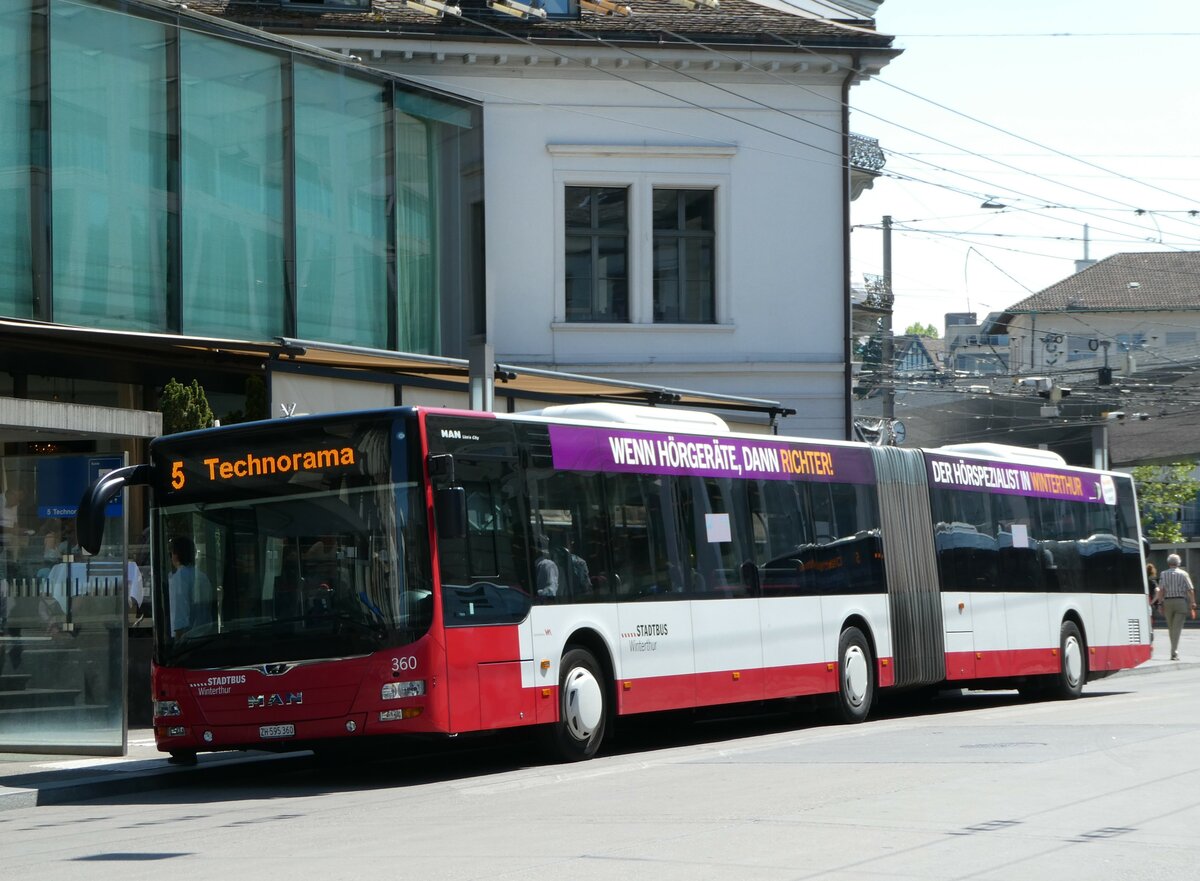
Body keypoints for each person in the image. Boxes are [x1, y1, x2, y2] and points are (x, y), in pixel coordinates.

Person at [1152, 553, 1196, 661]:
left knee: (1171, 628)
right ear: (1179, 563)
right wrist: (1193, 602)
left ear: (1168, 562)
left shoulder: (1163, 574)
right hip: (1180, 601)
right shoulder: (1183, 574)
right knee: (1177, 628)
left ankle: (1173, 651)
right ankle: (1174, 652)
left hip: (1168, 602)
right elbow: (1190, 589)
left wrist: (1160, 603)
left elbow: (1161, 590)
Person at [168, 536, 212, 638]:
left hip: (187, 638)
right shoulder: (202, 576)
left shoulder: (179, 577)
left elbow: (180, 614)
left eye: (172, 553)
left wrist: (178, 643)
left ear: (176, 555)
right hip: (205, 634)